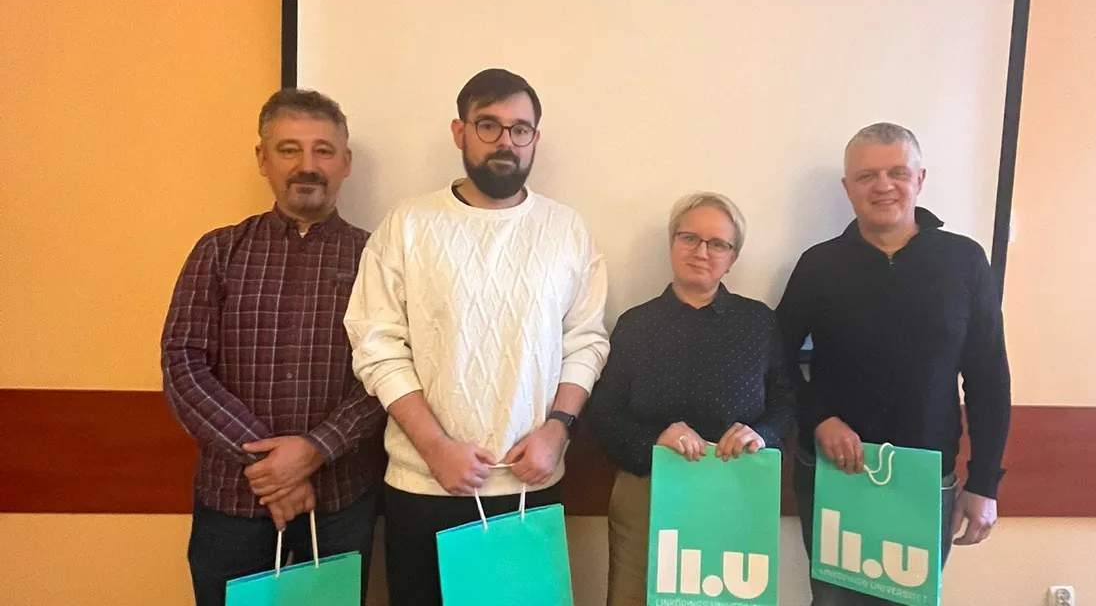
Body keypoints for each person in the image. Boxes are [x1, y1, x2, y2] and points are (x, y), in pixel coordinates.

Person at [344, 68, 611, 606]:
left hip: (530, 486)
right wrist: (436, 447)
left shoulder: (566, 230)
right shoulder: (408, 224)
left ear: (535, 138)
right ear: (458, 131)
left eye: (519, 129)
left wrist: (556, 432)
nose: (504, 142)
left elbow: (586, 341)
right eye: (487, 125)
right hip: (425, 486)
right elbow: (376, 344)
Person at [161, 88, 387, 606]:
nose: (307, 165)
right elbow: (183, 366)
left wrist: (314, 450)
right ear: (262, 159)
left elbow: (390, 371)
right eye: (289, 149)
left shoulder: (378, 256)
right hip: (231, 504)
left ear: (345, 162)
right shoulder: (218, 250)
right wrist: (275, 470)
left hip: (339, 504)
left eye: (323, 150)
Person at [775, 122, 1012, 605]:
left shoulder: (964, 261)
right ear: (848, 188)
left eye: (897, 172)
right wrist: (818, 419)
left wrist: (984, 482)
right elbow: (774, 360)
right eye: (866, 176)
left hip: (925, 480)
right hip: (834, 474)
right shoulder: (818, 264)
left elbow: (989, 378)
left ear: (920, 178)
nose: (883, 185)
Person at [585, 192, 795, 606]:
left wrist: (762, 434)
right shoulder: (636, 324)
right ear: (671, 244)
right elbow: (604, 414)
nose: (702, 252)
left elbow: (787, 401)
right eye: (689, 238)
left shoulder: (758, 323)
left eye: (718, 243)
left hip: (735, 493)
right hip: (648, 493)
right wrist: (655, 439)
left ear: (733, 257)